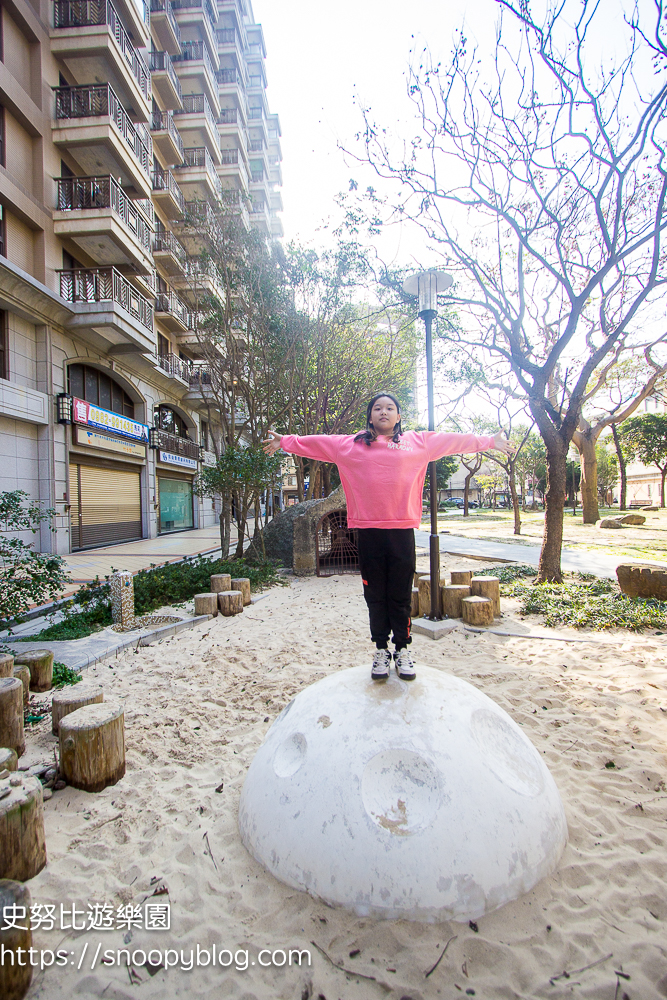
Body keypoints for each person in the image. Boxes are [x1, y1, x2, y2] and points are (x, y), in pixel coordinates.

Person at [263, 393, 514, 682]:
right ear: (370, 416)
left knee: (400, 595)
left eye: (390, 408)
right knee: (375, 596)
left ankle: (402, 649)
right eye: (377, 408)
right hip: (367, 533)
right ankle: (381, 649)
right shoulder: (350, 444)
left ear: (398, 417)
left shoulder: (419, 443)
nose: (384, 412)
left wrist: (489, 441)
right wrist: (285, 441)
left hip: (401, 532)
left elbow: (454, 440)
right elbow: (316, 443)